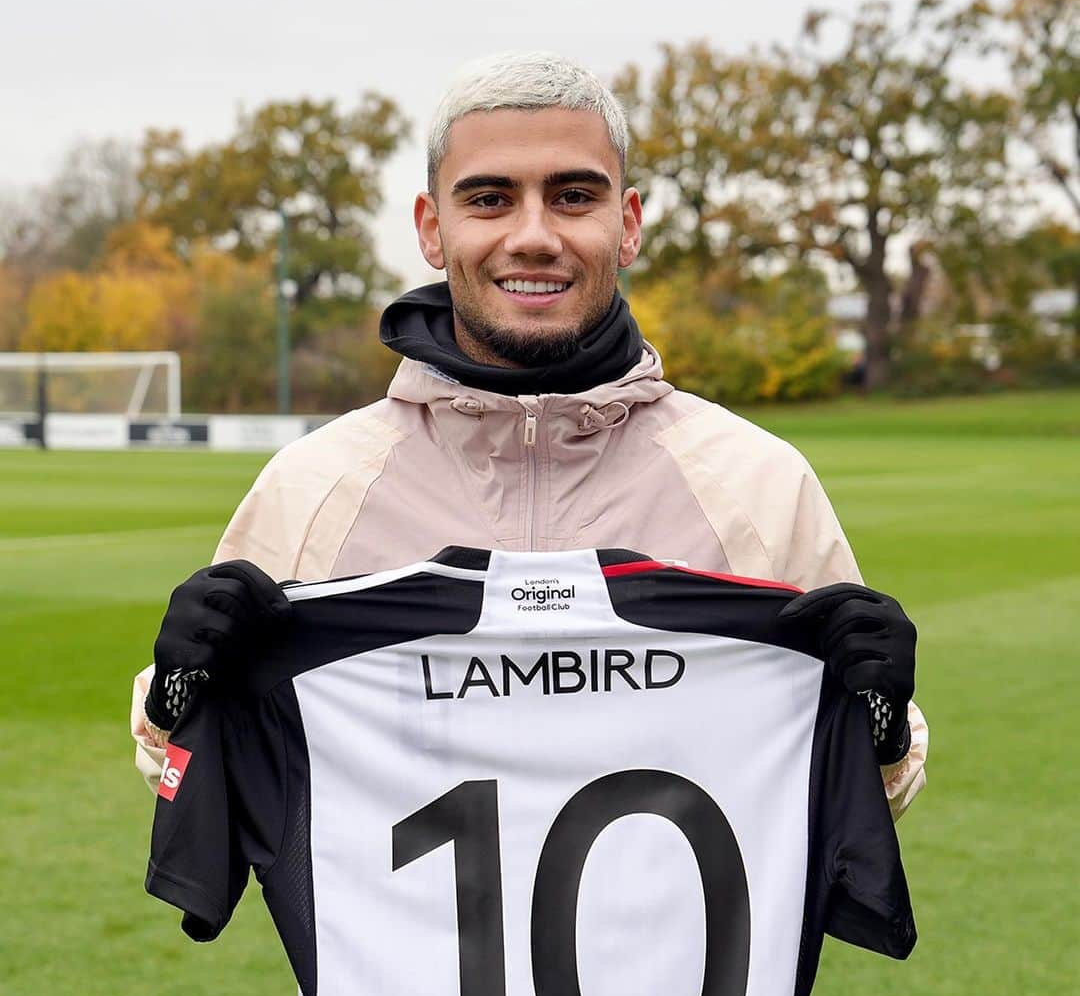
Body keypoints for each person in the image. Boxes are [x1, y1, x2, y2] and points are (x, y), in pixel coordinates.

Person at [132, 50, 926, 811]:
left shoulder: (757, 484)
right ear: (432, 228)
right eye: (489, 199)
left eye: (575, 196)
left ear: (630, 222)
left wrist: (882, 727)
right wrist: (175, 699)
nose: (535, 235)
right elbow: (204, 781)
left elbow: (850, 797)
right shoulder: (311, 490)